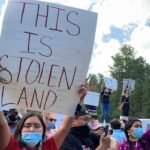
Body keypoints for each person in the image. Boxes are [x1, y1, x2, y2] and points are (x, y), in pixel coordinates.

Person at [0, 71, 88, 150]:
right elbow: (1, 124)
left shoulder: (48, 147)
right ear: (20, 130)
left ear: (43, 130)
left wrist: (76, 100)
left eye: (37, 126)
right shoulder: (11, 146)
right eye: (27, 125)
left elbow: (64, 128)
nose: (32, 129)